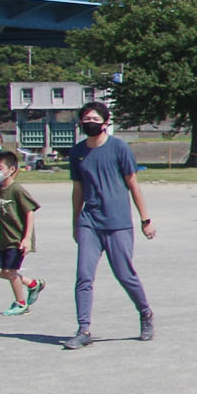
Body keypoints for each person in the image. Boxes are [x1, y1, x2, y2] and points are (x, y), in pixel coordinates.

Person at [65, 99, 154, 349]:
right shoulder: (77, 152)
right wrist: (75, 221)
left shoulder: (119, 148)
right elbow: (78, 189)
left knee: (124, 274)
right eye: (86, 119)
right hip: (89, 222)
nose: (90, 123)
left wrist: (145, 220)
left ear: (105, 122)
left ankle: (145, 313)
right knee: (83, 276)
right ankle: (83, 329)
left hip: (117, 222)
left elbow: (133, 185)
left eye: (95, 119)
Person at [0, 149, 44, 314]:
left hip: (17, 238)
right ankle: (33, 284)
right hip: (4, 238)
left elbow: (30, 212)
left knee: (11, 272)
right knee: (0, 271)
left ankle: (21, 304)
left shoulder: (17, 190)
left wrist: (27, 238)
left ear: (11, 169)